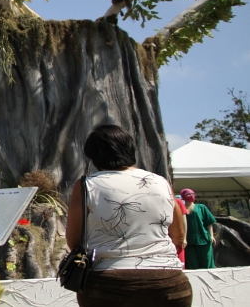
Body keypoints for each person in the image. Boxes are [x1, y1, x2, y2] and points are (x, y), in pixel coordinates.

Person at [66, 125, 192, 307]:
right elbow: (178, 237)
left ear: (92, 156)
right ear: (130, 149)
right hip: (169, 283)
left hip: (108, 285)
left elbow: (74, 241)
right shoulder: (161, 182)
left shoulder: (87, 185)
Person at [180, 188, 217, 269]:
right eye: (188, 194)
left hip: (203, 240)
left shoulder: (201, 207)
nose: (191, 195)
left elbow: (209, 223)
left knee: (208, 264)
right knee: (193, 266)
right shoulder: (181, 209)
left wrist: (211, 236)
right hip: (189, 243)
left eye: (192, 193)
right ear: (183, 197)